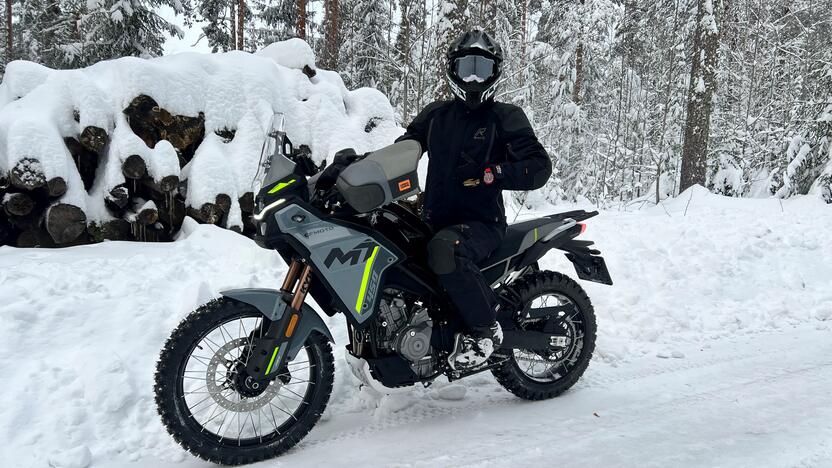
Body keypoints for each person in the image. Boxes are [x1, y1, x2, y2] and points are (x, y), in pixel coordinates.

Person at [396, 28, 552, 370]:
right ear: (452, 70)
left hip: (482, 224)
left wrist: (496, 172)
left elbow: (539, 167)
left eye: (481, 69)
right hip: (434, 219)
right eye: (466, 67)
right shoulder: (435, 116)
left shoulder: (504, 117)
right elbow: (401, 151)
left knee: (444, 249)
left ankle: (485, 331)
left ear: (494, 73)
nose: (472, 78)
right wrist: (357, 167)